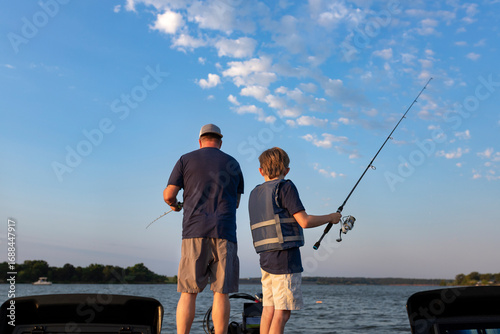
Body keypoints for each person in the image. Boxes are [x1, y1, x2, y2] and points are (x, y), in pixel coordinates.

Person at [248, 147, 342, 334]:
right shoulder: (285, 187)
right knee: (282, 313)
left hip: (265, 258)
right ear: (287, 170)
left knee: (268, 308)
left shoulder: (254, 193)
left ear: (261, 171)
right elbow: (304, 221)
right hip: (285, 258)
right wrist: (331, 217)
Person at [163, 124, 244, 334]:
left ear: (200, 141)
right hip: (225, 233)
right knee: (221, 293)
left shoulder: (185, 159)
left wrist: (175, 205)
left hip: (194, 231)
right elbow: (235, 203)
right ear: (220, 142)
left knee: (188, 292)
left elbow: (168, 195)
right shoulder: (233, 163)